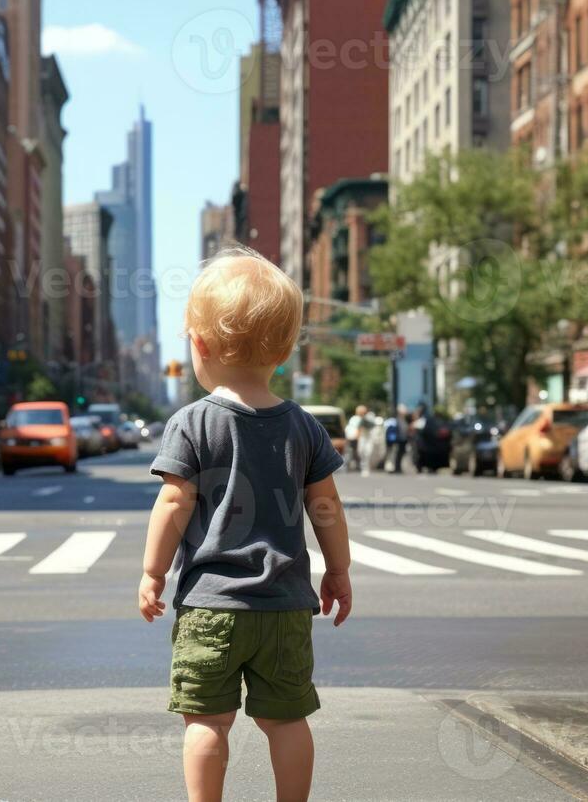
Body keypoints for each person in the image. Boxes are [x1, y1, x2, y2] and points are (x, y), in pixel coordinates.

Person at [139, 250, 353, 802]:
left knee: (207, 723)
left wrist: (152, 572)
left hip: (211, 606)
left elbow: (173, 501)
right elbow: (326, 506)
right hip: (284, 606)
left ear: (201, 347)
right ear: (284, 352)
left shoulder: (191, 422)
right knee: (286, 721)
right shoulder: (303, 426)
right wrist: (339, 571)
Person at [344, 405, 370, 472]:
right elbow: (353, 429)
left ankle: (358, 465)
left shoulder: (364, 419)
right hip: (353, 438)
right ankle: (350, 466)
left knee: (359, 452)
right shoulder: (355, 418)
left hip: (358, 438)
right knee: (352, 452)